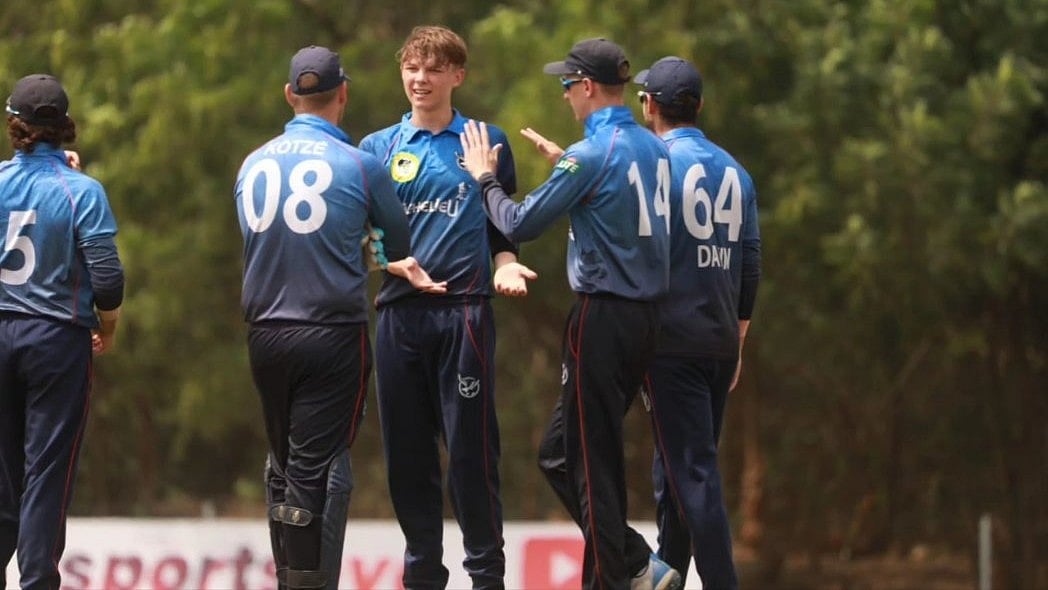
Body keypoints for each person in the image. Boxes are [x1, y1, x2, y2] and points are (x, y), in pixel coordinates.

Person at [459, 38, 683, 590]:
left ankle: (626, 573)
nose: (564, 97)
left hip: (603, 318)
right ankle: (635, 562)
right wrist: (568, 170)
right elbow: (625, 211)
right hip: (646, 320)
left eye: (566, 86)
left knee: (588, 459)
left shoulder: (592, 154)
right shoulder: (654, 148)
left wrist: (484, 177)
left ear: (586, 87)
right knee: (563, 454)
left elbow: (518, 222)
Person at [234, 45, 445, 590]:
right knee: (313, 471)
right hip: (331, 334)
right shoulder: (358, 163)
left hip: (264, 332)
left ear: (289, 96)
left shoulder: (253, 161)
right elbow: (399, 241)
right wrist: (364, 239)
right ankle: (302, 583)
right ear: (343, 94)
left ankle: (289, 575)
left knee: (282, 464)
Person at [357, 25, 535, 590]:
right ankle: (422, 577)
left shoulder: (485, 140)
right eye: (412, 67)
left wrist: (505, 261)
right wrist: (389, 263)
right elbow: (362, 237)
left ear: (457, 75)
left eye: (434, 69)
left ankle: (487, 576)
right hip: (398, 316)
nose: (420, 79)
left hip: (465, 315)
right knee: (407, 460)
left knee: (470, 457)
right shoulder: (375, 148)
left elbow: (502, 224)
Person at [635, 56, 762, 590]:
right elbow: (748, 261)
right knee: (675, 476)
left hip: (673, 342)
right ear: (700, 106)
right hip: (718, 339)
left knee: (694, 475)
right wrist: (737, 337)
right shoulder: (735, 169)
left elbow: (641, 250)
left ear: (649, 105)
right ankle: (671, 576)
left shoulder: (654, 163)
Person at [0, 74, 124, 589]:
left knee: (3, 474)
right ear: (65, 127)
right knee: (45, 473)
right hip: (56, 341)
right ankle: (36, 582)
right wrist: (108, 326)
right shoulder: (82, 191)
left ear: (14, 125)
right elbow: (109, 279)